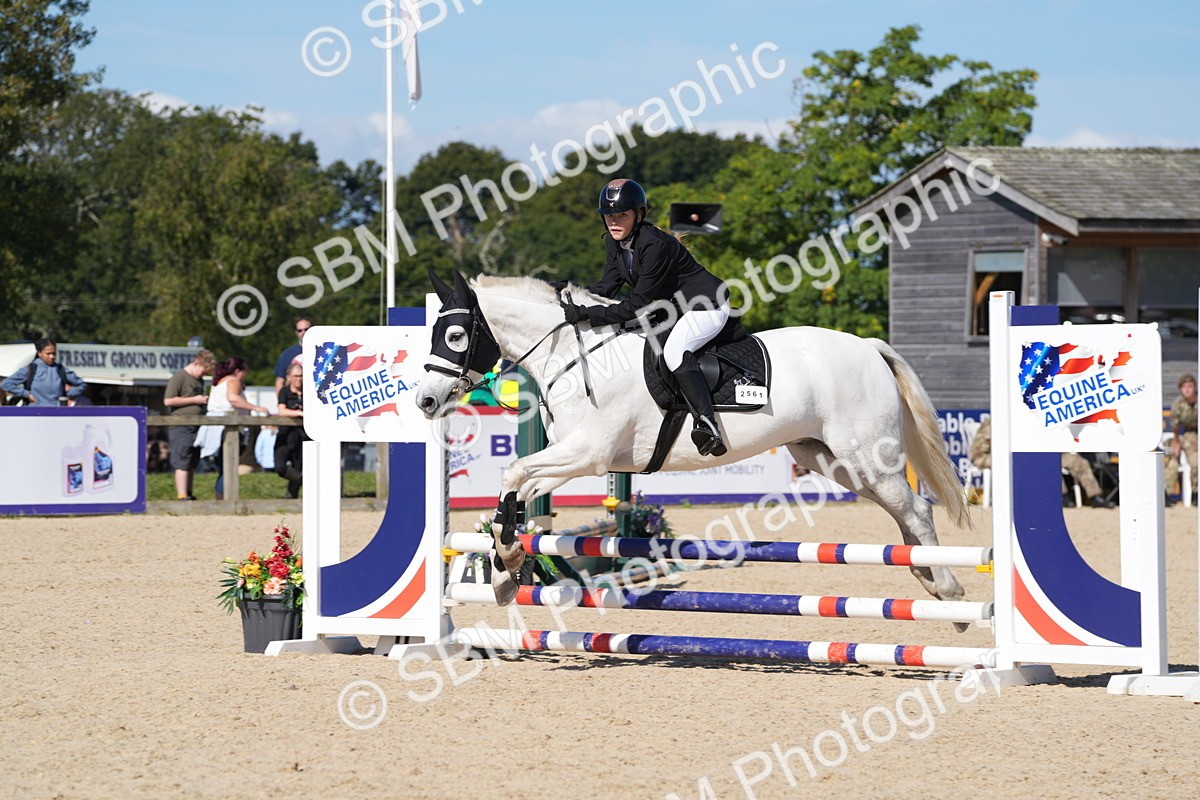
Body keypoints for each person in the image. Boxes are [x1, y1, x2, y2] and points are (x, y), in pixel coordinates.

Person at [558, 178, 742, 457]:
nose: (614, 222)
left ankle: (708, 425)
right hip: (671, 307)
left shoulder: (653, 244)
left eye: (622, 215)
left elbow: (636, 305)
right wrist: (569, 294)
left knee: (675, 351)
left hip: (705, 305)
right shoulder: (614, 242)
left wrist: (586, 314)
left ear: (639, 215)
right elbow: (606, 289)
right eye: (609, 216)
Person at [970, 417, 1113, 508]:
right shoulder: (996, 422)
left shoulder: (1033, 421)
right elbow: (983, 450)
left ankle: (1095, 497)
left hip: (1031, 454)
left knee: (1078, 462)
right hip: (988, 456)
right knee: (1046, 465)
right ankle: (1061, 498)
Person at [195, 356, 270, 500]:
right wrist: (255, 407)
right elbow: (233, 398)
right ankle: (225, 498)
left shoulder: (218, 382)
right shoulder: (233, 380)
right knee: (228, 467)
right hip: (225, 427)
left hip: (215, 425)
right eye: (244, 372)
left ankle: (221, 497)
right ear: (238, 371)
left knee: (224, 466)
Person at [162, 349, 215, 500]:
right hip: (181, 425)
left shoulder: (199, 380)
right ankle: (182, 495)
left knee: (192, 461)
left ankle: (189, 493)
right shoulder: (179, 377)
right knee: (182, 460)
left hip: (196, 426)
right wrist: (194, 400)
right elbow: (168, 400)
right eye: (203, 371)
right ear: (196, 363)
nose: (203, 375)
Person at [1, 339, 88, 406]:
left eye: (54, 353)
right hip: (34, 413)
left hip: (56, 413)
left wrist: (69, 393)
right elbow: (5, 384)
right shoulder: (30, 369)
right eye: (48, 353)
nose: (52, 357)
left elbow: (82, 385)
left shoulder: (61, 369)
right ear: (39, 353)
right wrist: (27, 394)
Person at [273, 362, 308, 498]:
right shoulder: (285, 391)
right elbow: (282, 410)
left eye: (301, 376)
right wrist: (299, 414)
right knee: (280, 466)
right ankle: (308, 483)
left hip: (303, 435)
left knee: (298, 465)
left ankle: (291, 498)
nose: (298, 379)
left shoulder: (310, 392)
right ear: (288, 377)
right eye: (295, 376)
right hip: (286, 433)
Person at [1164, 373, 1198, 503]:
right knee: (1172, 458)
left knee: (1196, 462)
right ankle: (1166, 493)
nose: (1187, 389)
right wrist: (1176, 442)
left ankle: (1196, 493)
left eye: (1190, 386)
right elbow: (1175, 427)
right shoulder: (1178, 404)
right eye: (1184, 387)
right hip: (1186, 434)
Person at [275, 317, 312, 395]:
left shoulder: (323, 350)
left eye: (306, 329)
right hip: (293, 401)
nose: (303, 332)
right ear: (296, 332)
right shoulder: (287, 354)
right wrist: (281, 403)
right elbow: (280, 381)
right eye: (300, 330)